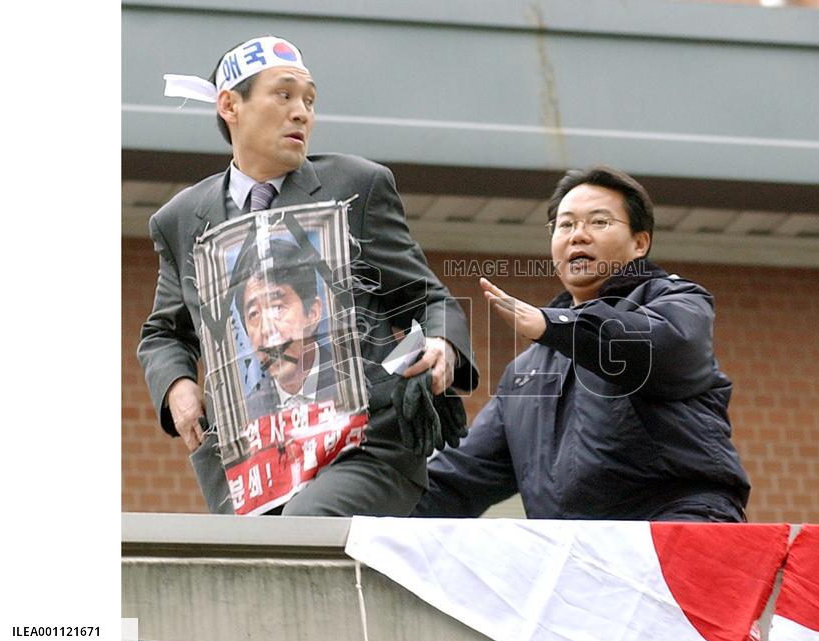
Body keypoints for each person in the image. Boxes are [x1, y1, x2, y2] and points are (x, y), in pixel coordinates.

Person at [138, 36, 477, 516]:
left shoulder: (357, 186)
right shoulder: (181, 220)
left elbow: (428, 298)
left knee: (303, 526)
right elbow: (163, 333)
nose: (302, 112)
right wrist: (176, 384)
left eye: (309, 100)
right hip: (253, 465)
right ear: (229, 105)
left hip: (362, 450)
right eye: (284, 95)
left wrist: (442, 344)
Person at [414, 166, 750, 521]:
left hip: (676, 529)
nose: (578, 236)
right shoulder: (527, 372)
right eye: (566, 224)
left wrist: (553, 324)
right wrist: (364, 492)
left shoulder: (677, 300)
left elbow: (658, 344)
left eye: (599, 222)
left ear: (640, 242)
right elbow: (455, 478)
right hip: (578, 554)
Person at [230, 238, 336, 418]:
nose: (266, 329)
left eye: (277, 307)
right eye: (254, 314)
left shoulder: (353, 381)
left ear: (312, 313)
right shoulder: (246, 415)